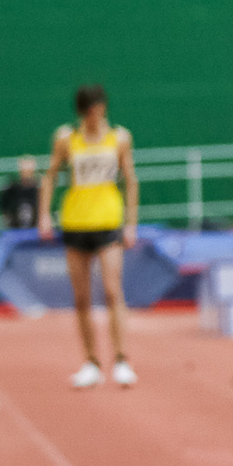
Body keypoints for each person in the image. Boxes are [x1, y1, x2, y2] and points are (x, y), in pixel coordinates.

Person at [38, 84, 140, 390]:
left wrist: (131, 223)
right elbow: (51, 175)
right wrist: (44, 214)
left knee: (112, 290)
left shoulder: (119, 138)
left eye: (98, 110)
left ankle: (121, 359)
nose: (94, 117)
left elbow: (131, 180)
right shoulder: (66, 139)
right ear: (82, 112)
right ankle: (91, 362)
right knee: (81, 298)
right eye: (89, 112)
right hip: (75, 222)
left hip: (108, 221)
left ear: (104, 108)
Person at [0, 156, 40, 233]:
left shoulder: (38, 188)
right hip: (15, 230)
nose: (26, 173)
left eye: (29, 170)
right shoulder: (12, 188)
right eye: (24, 170)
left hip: (35, 229)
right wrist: (8, 219)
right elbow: (3, 205)